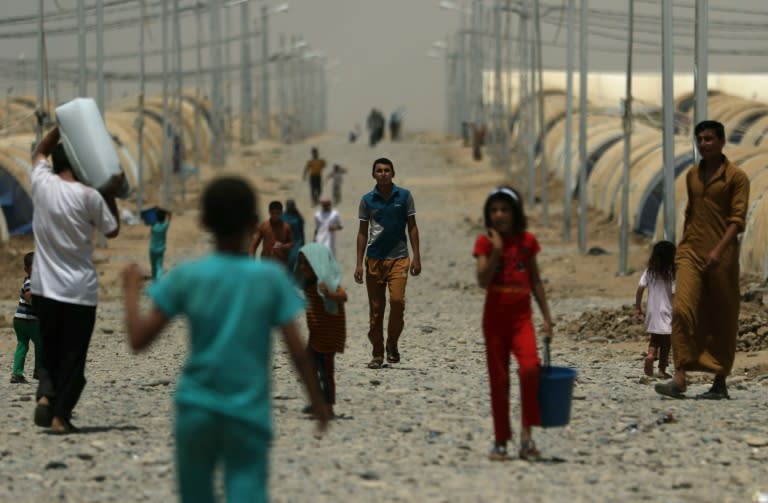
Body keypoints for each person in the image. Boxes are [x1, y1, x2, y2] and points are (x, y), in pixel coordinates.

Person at [122, 176, 329, 503]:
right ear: (252, 222)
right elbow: (297, 351)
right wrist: (318, 403)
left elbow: (139, 339)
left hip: (195, 411)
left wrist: (131, 290)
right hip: (248, 414)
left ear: (204, 222)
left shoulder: (188, 275)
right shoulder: (270, 279)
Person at [30, 126, 122, 434]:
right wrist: (109, 189)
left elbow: (40, 152)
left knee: (49, 346)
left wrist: (60, 127)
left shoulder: (41, 183)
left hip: (43, 286)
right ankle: (60, 416)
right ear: (80, 167)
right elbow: (111, 230)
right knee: (73, 354)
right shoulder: (90, 196)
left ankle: (45, 395)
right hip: (79, 291)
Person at [654, 120, 750, 401]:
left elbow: (738, 220)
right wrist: (683, 247)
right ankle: (680, 375)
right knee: (682, 309)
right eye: (700, 139)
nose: (703, 144)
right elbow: (691, 214)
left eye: (709, 139)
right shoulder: (692, 176)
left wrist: (718, 251)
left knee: (722, 315)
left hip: (722, 257)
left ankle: (719, 381)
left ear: (721, 142)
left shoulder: (737, 177)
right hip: (691, 253)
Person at [473, 186, 553, 461]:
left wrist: (547, 317)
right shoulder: (484, 243)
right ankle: (500, 440)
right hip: (494, 318)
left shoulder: (527, 242)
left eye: (504, 209)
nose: (499, 215)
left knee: (530, 368)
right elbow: (482, 280)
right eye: (494, 210)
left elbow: (535, 279)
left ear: (514, 212)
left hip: (521, 318)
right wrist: (496, 250)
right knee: (499, 379)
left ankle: (527, 434)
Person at [354, 157, 421, 369]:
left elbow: (412, 226)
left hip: (399, 259)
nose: (383, 174)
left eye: (387, 170)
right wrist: (358, 263)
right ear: (373, 174)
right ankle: (377, 353)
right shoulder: (367, 200)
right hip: (374, 260)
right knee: (376, 310)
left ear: (393, 173)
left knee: (397, 302)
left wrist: (417, 256)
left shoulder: (405, 196)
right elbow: (362, 233)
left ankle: (392, 343)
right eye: (379, 171)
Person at [296, 243, 347, 418]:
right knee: (309, 369)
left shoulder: (327, 284)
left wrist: (330, 295)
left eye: (306, 264)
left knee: (326, 374)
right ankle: (317, 401)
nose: (302, 268)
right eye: (300, 263)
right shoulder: (308, 285)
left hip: (327, 340)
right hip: (315, 337)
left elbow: (343, 296)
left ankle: (328, 407)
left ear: (317, 264)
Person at [635, 241, 676, 378]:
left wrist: (638, 307)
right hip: (667, 312)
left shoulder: (649, 271)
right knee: (666, 342)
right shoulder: (672, 273)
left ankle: (651, 355)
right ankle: (662, 369)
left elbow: (640, 288)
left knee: (654, 338)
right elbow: (675, 294)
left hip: (652, 312)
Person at [10, 252, 41, 384]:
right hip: (30, 321)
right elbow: (29, 296)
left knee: (22, 345)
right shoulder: (31, 282)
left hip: (19, 320)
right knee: (41, 345)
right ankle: (39, 371)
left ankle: (17, 373)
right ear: (27, 269)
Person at [249, 200, 294, 267]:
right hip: (265, 261)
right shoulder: (264, 226)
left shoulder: (286, 227)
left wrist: (283, 246)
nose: (275, 215)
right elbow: (255, 243)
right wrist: (252, 257)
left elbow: (292, 243)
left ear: (281, 213)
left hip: (281, 263)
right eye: (273, 213)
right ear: (269, 212)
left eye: (277, 213)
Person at [282, 199, 305, 273]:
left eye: (291, 205)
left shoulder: (298, 217)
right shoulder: (282, 217)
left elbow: (301, 231)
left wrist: (303, 243)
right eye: (288, 205)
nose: (290, 207)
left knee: (293, 258)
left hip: (296, 242)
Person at [149, 208, 172, 280]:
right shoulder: (165, 226)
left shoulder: (153, 226)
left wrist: (156, 209)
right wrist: (165, 210)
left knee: (153, 266)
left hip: (152, 249)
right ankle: (158, 280)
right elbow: (170, 215)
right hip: (161, 249)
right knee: (159, 266)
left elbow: (152, 217)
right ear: (164, 218)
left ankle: (154, 281)